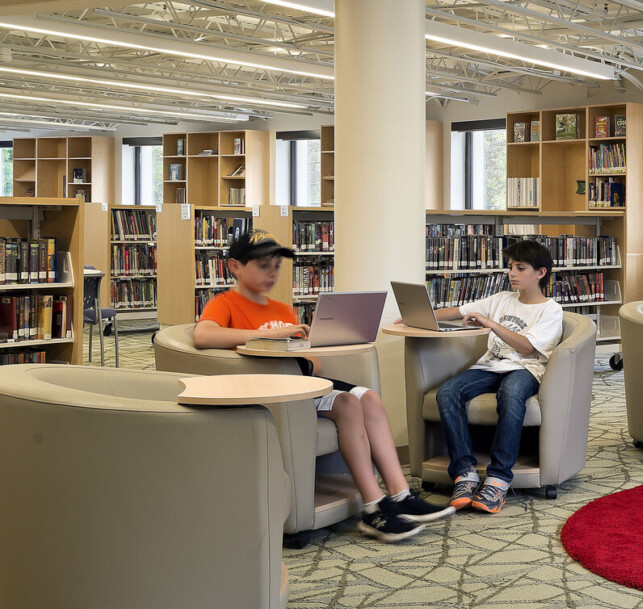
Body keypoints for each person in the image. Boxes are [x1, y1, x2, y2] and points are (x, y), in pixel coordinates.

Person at [193, 231, 453, 543]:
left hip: (300, 379)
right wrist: (270, 337)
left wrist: (309, 348)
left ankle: (399, 495)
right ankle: (373, 507)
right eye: (263, 266)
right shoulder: (225, 304)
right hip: (270, 388)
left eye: (276, 266)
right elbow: (203, 336)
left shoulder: (280, 308)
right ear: (235, 266)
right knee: (347, 403)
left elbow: (314, 363)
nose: (272, 273)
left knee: (368, 397)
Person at [429, 238, 566, 516]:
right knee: (448, 392)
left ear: (541, 273)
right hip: (490, 366)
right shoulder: (502, 298)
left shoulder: (550, 309)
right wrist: (422, 316)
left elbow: (527, 348)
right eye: (510, 267)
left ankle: (498, 479)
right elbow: (458, 312)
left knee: (511, 394)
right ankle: (464, 475)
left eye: (520, 267)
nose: (512, 273)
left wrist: (490, 323)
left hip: (525, 369)